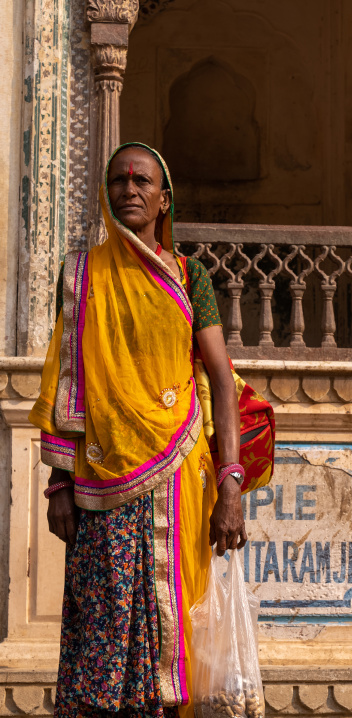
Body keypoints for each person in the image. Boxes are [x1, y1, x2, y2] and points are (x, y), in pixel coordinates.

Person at [29, 142, 248, 718]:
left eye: (143, 181)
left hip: (176, 472)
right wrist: (58, 485)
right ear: (106, 194)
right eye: (120, 180)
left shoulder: (189, 276)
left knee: (171, 624)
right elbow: (66, 381)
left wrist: (230, 484)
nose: (130, 189)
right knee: (102, 625)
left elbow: (222, 382)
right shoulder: (80, 274)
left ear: (163, 200)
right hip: (98, 479)